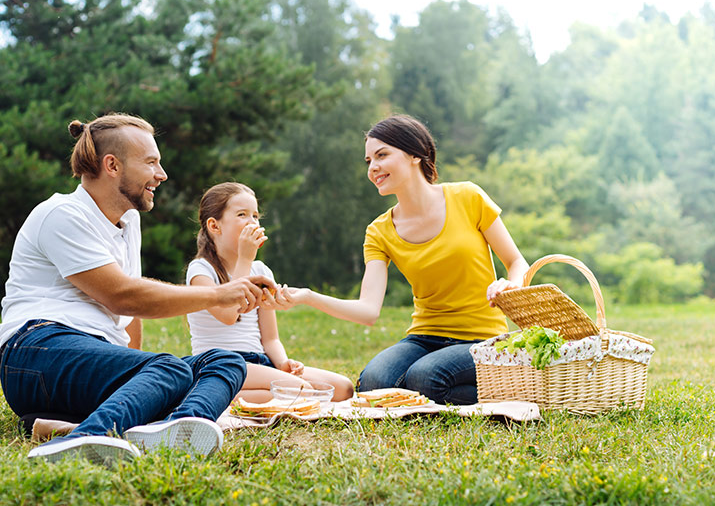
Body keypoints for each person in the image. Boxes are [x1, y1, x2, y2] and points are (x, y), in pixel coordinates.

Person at [0, 114, 280, 466]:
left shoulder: (128, 220)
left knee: (226, 362)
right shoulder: (61, 215)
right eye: (151, 163)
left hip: (90, 363)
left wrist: (140, 373)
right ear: (112, 165)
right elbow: (123, 295)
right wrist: (218, 294)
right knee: (171, 369)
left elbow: (128, 314)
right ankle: (89, 438)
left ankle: (175, 430)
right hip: (37, 353)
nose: (161, 175)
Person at [280, 114, 528, 405]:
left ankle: (515, 388)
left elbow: (516, 261)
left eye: (382, 155)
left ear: (415, 155)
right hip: (424, 336)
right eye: (369, 161)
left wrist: (511, 285)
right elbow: (368, 310)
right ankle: (446, 390)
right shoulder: (379, 231)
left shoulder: (468, 197)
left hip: (482, 337)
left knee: (424, 377)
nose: (373, 168)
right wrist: (308, 297)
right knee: (373, 383)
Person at [186, 182, 354, 402]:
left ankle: (233, 397)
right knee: (302, 391)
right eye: (242, 215)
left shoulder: (260, 270)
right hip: (220, 364)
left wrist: (283, 363)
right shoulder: (201, 270)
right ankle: (209, 392)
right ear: (214, 226)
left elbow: (271, 338)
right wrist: (245, 258)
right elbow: (229, 315)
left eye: (255, 216)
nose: (252, 222)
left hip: (258, 363)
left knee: (342, 389)